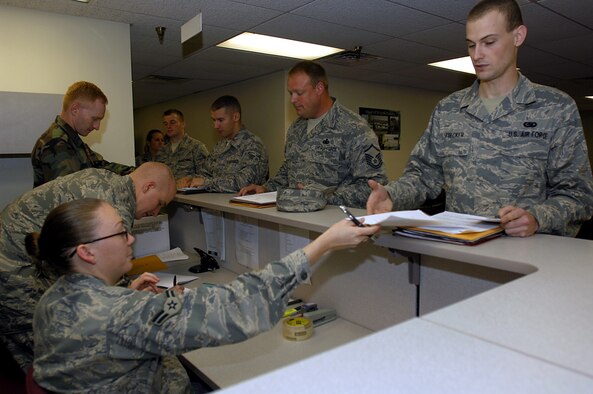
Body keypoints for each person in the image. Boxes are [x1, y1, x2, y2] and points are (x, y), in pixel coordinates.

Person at [28, 198, 378, 392]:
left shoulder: (51, 299)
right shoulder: (122, 315)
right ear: (86, 253)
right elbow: (235, 305)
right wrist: (323, 244)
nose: (131, 239)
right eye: (121, 233)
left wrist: (126, 295)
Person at [366, 0, 593, 237]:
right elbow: (423, 176)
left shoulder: (556, 108)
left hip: (527, 254)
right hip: (461, 251)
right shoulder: (449, 109)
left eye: (489, 42)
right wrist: (392, 195)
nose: (477, 55)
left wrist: (537, 218)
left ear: (518, 36)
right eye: (471, 45)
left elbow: (578, 195)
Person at [0, 162, 177, 371]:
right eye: (159, 203)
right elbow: (101, 292)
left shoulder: (107, 182)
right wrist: (152, 302)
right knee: (54, 357)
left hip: (25, 255)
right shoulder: (114, 211)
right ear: (148, 187)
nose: (156, 212)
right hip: (15, 267)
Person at [239, 61, 387, 209]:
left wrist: (323, 197)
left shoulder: (354, 128)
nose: (293, 100)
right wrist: (264, 188)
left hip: (335, 221)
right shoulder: (296, 128)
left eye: (299, 93)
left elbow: (374, 186)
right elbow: (288, 171)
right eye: (291, 93)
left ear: (319, 88)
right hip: (296, 219)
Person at [31, 81, 135, 187]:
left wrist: (139, 171)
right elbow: (72, 195)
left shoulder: (72, 140)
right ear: (75, 109)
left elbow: (101, 166)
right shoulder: (56, 143)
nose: (97, 126)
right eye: (95, 119)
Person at [177, 95, 269, 192]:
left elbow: (246, 182)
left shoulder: (253, 144)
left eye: (220, 120)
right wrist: (190, 179)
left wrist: (206, 183)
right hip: (214, 204)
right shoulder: (220, 146)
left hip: (239, 205)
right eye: (214, 120)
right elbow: (205, 173)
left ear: (236, 117)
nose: (216, 126)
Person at [155, 108, 209, 183]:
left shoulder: (196, 147)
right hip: (166, 192)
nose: (168, 126)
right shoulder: (162, 150)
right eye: (165, 124)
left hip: (189, 192)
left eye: (172, 122)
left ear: (183, 124)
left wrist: (189, 180)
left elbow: (206, 174)